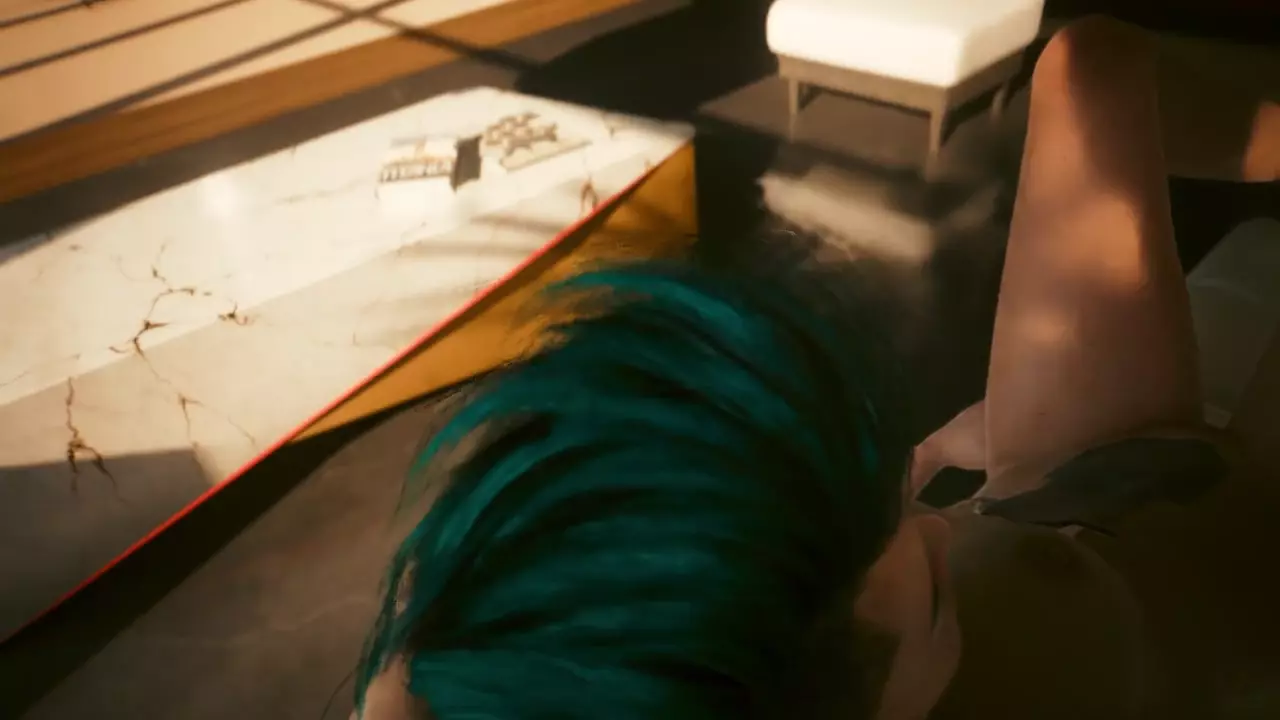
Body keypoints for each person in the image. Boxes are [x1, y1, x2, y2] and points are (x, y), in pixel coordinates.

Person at [354, 16, 1280, 720]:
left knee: (1091, 66)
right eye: (934, 602)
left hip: (1062, 486)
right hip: (1226, 545)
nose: (944, 529)